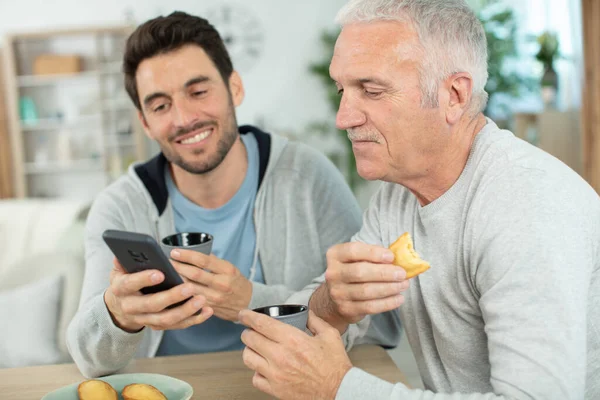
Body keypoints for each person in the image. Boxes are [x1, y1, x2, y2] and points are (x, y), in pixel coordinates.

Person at [238, 0, 600, 399]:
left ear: (454, 95)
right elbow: (293, 339)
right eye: (343, 89)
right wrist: (332, 305)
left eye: (371, 90)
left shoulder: (527, 206)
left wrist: (339, 389)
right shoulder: (398, 195)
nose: (343, 117)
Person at [66, 11, 362, 378]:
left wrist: (250, 301)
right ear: (145, 122)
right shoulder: (120, 207)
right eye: (160, 106)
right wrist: (118, 313)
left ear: (234, 87)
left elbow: (376, 325)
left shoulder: (309, 179)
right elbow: (87, 358)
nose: (184, 118)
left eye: (198, 91)